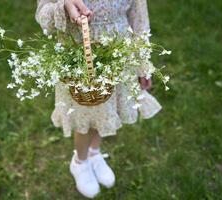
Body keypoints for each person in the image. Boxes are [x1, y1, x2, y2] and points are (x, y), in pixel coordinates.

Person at [35, 0, 162, 198]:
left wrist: (143, 63)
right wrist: (64, 7)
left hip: (118, 53)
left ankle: (94, 153)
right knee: (85, 113)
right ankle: (80, 162)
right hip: (79, 55)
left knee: (105, 109)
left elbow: (139, 21)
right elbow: (43, 16)